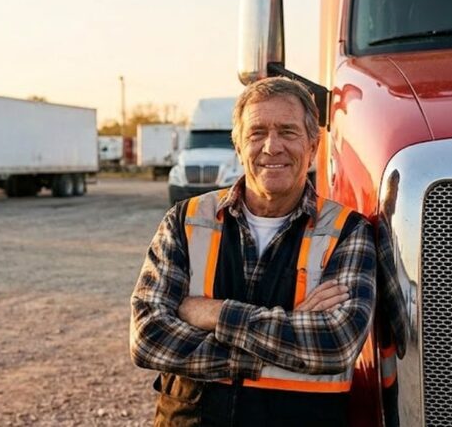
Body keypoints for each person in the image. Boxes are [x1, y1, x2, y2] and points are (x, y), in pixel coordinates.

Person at [130, 77, 377, 426]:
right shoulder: (185, 221)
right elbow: (148, 337)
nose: (271, 146)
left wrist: (212, 314)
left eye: (288, 132)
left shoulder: (348, 232)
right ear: (238, 145)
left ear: (313, 145)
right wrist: (286, 335)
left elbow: (335, 343)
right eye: (257, 133)